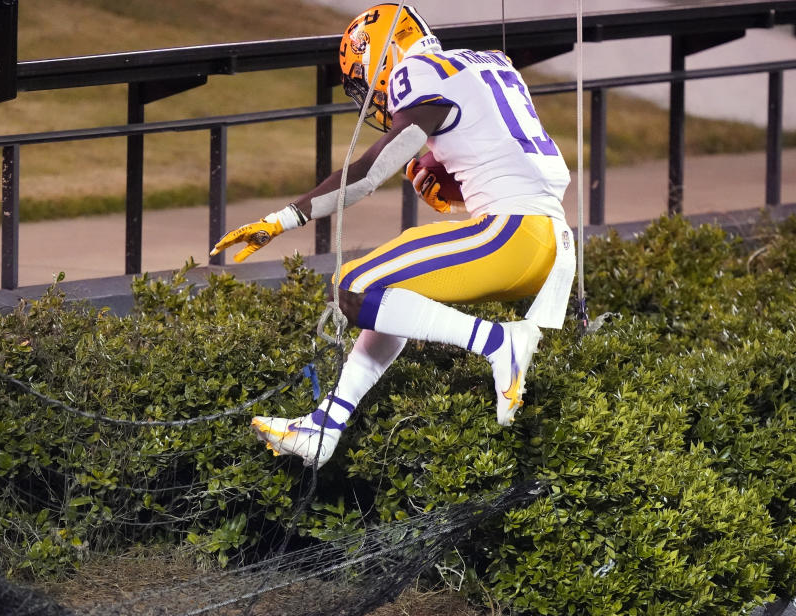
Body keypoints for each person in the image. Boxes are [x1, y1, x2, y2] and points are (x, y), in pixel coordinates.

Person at [210, 3, 576, 468]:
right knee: (387, 292)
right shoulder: (486, 63)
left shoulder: (417, 71)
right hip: (549, 243)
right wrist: (455, 184)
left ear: (380, 56)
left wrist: (282, 220)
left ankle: (498, 343)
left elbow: (367, 174)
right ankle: (325, 426)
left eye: (366, 80)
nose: (374, 95)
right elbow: (513, 155)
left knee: (354, 285)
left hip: (511, 234)